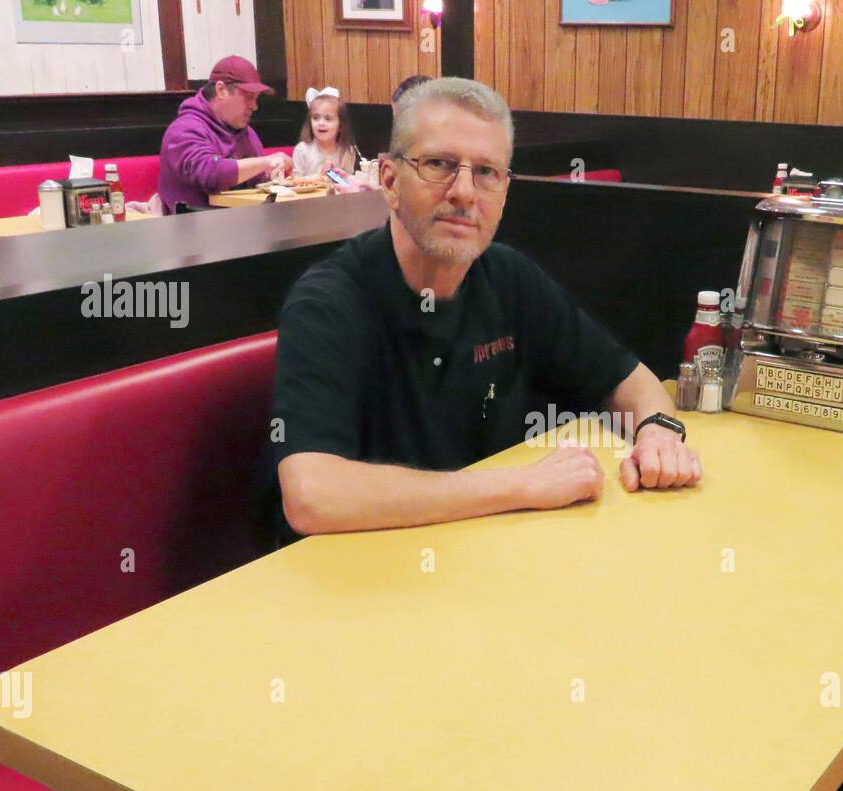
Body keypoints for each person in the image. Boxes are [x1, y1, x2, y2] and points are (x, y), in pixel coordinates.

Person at [270, 78, 702, 540]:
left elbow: (627, 378)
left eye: (487, 172)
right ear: (390, 181)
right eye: (439, 164)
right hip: (352, 585)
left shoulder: (510, 277)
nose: (464, 192)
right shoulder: (329, 303)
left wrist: (658, 430)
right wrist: (521, 484)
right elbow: (313, 496)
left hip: (480, 555)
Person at [157, 55, 290, 214]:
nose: (254, 107)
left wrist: (273, 175)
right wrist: (265, 162)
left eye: (256, 99)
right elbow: (211, 173)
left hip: (244, 225)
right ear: (221, 90)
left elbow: (258, 183)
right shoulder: (183, 130)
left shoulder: (248, 134)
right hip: (192, 230)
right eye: (248, 97)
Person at [293, 86, 359, 177]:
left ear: (341, 125)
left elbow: (349, 184)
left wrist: (345, 177)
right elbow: (296, 182)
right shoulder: (302, 150)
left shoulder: (347, 151)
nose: (321, 123)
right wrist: (319, 176)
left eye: (328, 119)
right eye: (315, 118)